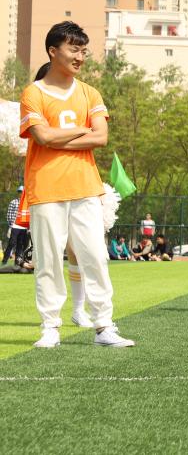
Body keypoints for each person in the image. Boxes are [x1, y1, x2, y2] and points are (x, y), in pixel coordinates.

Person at [20, 21, 134, 347]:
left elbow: (101, 137)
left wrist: (59, 137)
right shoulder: (33, 93)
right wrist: (81, 130)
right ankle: (50, 328)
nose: (80, 57)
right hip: (46, 189)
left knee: (95, 256)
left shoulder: (89, 93)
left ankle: (104, 326)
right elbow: (42, 136)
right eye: (73, 49)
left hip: (86, 188)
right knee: (48, 260)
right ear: (52, 51)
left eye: (83, 51)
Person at [2, 185, 28, 266]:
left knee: (20, 245)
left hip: (24, 227)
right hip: (15, 226)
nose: (21, 193)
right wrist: (11, 226)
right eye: (19, 192)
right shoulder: (13, 202)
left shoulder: (27, 203)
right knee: (12, 243)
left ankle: (17, 263)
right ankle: (4, 261)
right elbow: (9, 215)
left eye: (22, 192)